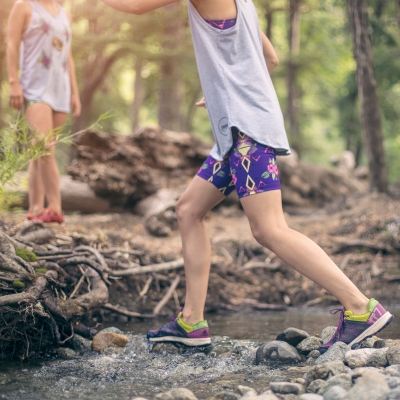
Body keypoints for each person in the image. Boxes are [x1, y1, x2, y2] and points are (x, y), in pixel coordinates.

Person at [100, 0, 393, 352]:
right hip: (236, 130)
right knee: (188, 210)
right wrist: (226, 90)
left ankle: (361, 308)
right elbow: (269, 58)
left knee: (269, 229)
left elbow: (131, 7)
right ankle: (191, 322)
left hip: (246, 131)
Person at [7, 0, 81, 223]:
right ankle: (56, 208)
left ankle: (36, 209)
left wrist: (75, 93)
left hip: (60, 88)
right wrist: (13, 82)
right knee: (44, 146)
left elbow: (68, 56)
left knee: (38, 152)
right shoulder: (24, 6)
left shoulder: (65, 14)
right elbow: (11, 43)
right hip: (35, 86)